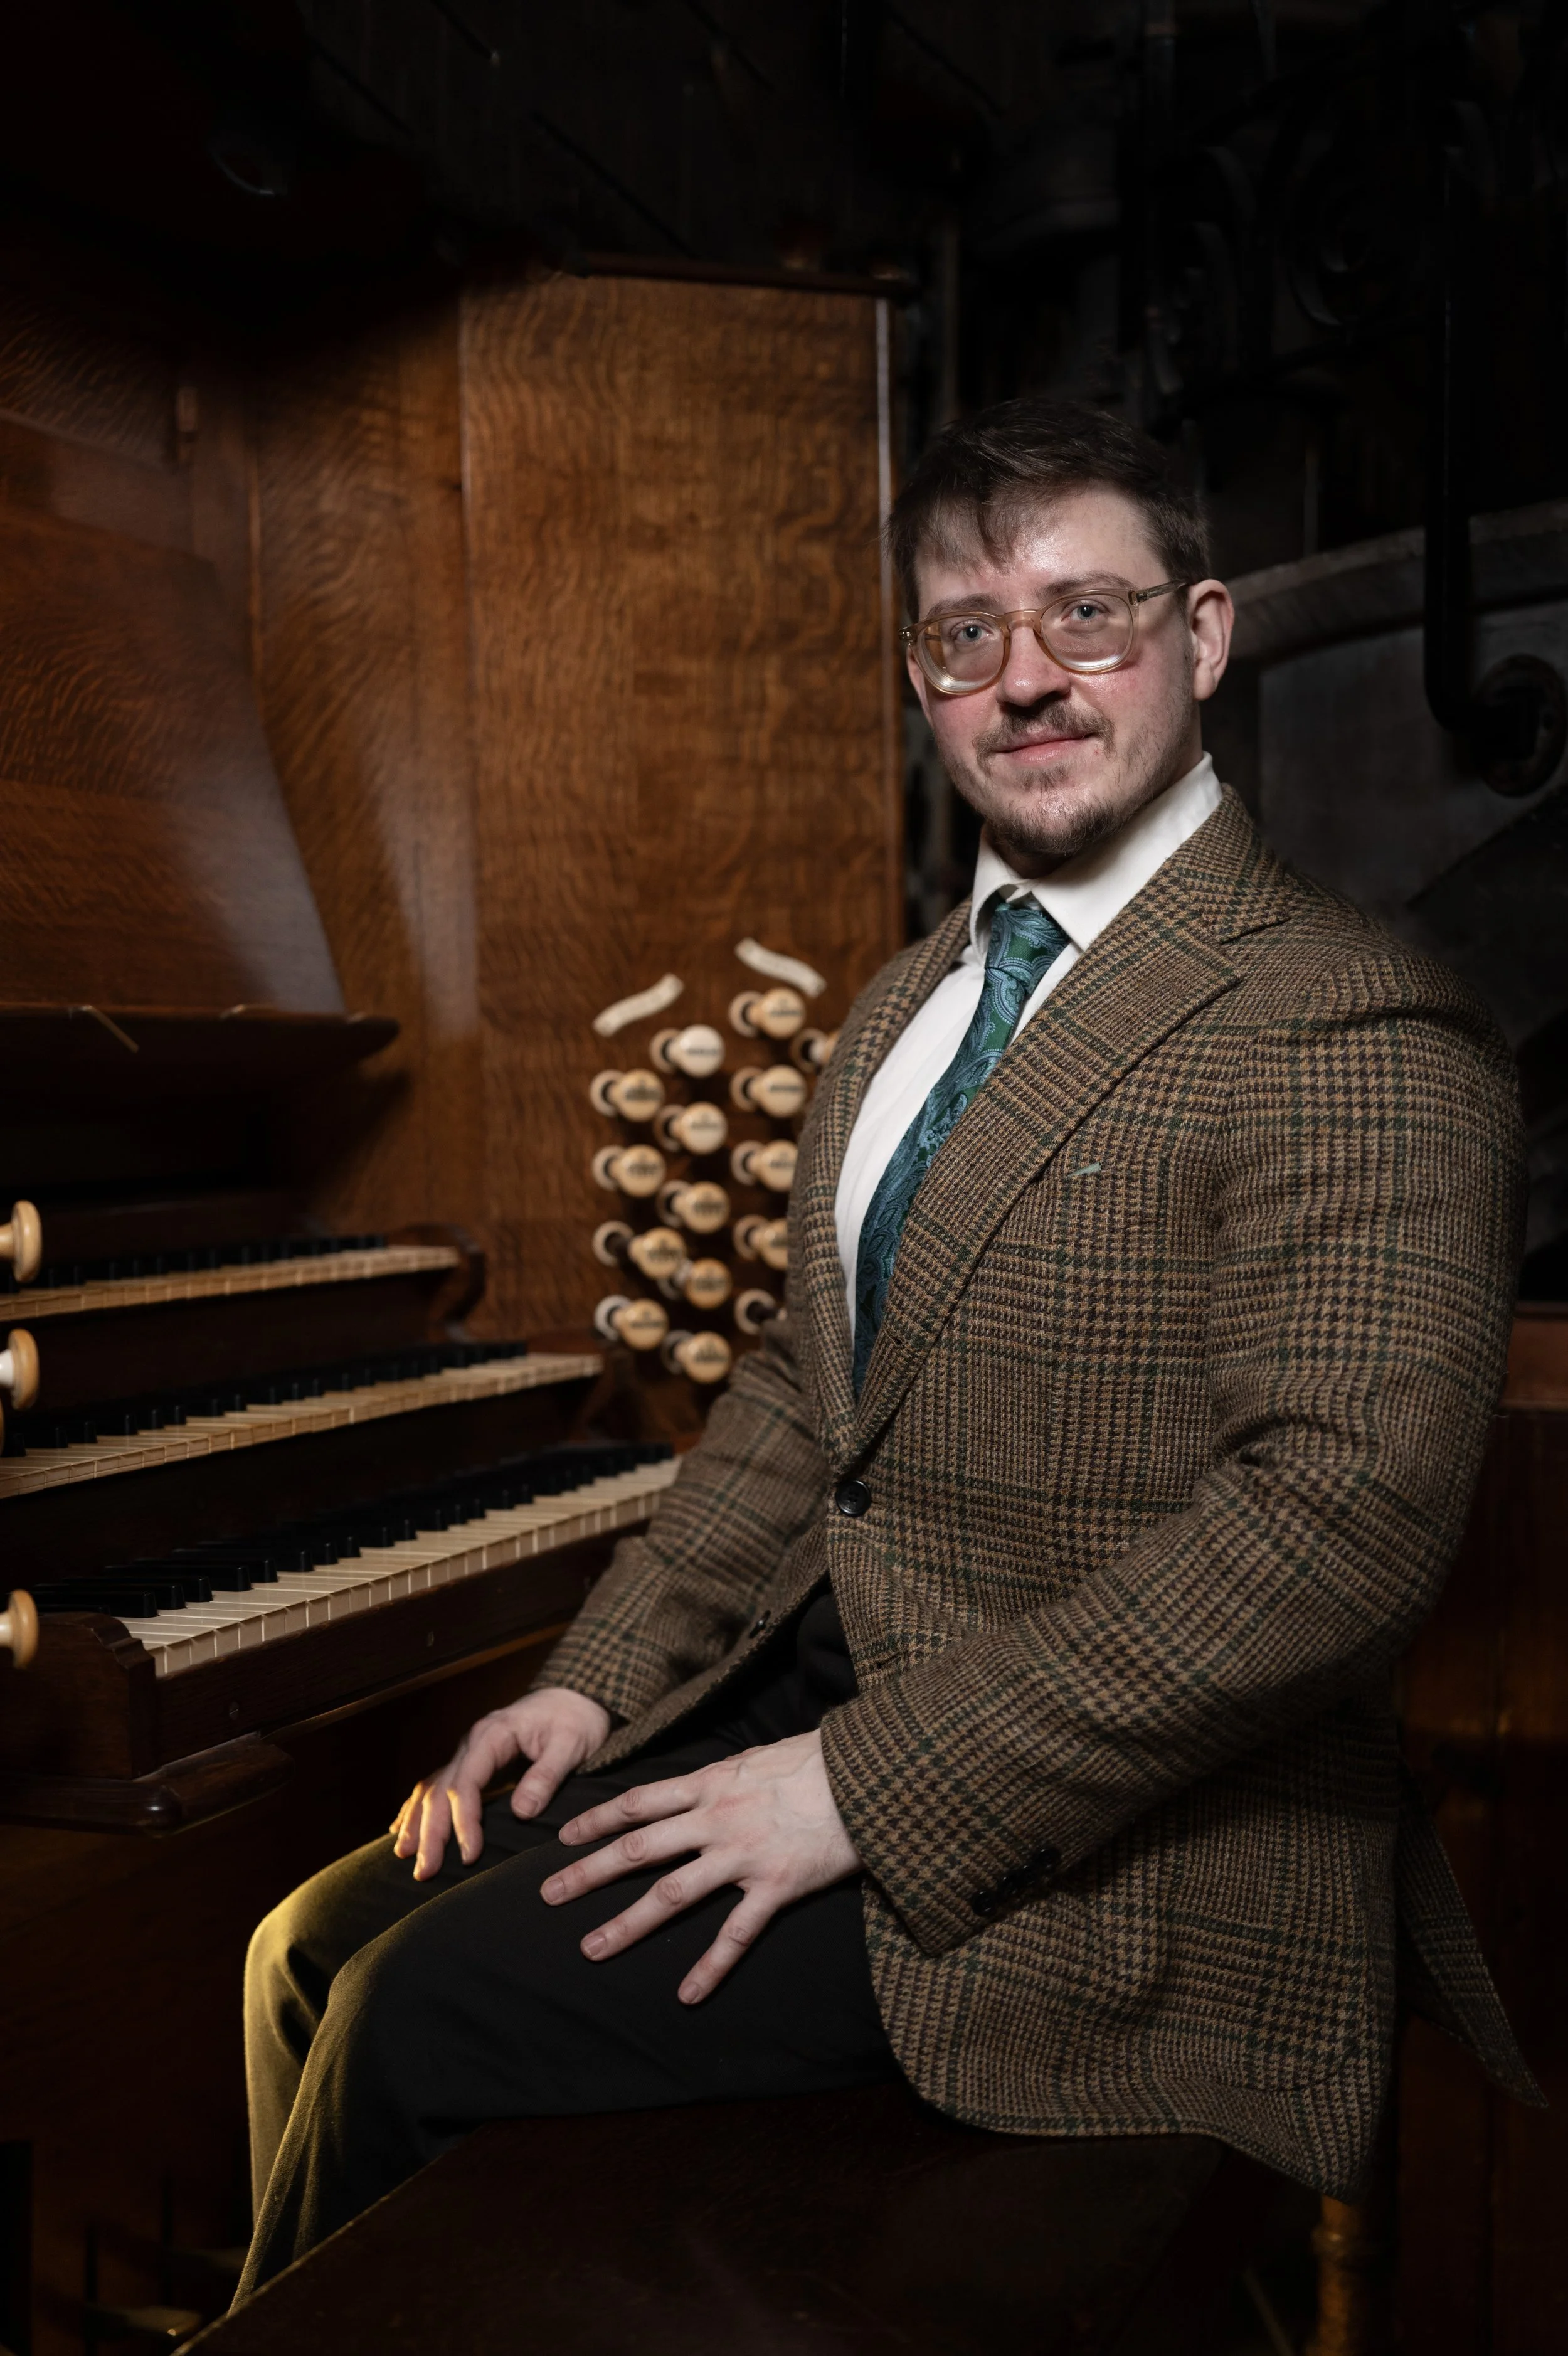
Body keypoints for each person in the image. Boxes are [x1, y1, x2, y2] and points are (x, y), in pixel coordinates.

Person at [238, 398, 1538, 2297]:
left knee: (410, 2015)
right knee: (308, 1940)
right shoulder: (911, 1001)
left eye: (1085, 616)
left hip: (1121, 1846)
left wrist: (858, 1788)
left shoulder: (1349, 1024)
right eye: (964, 633)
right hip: (813, 1699)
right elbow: (801, 1393)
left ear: (1200, 635)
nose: (1026, 678)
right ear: (920, 676)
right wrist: (600, 1683)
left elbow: (1334, 1529)